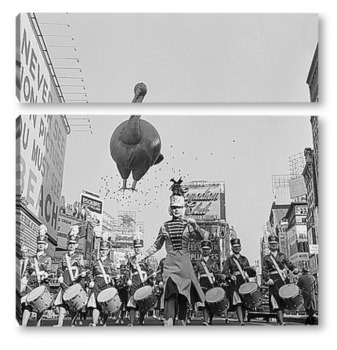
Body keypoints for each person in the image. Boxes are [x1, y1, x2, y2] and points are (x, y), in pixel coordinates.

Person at [137, 178, 209, 326]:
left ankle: (181, 323)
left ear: (183, 208)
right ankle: (168, 323)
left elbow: (205, 237)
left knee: (183, 296)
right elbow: (157, 245)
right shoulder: (164, 226)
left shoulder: (189, 225)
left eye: (178, 207)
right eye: (173, 207)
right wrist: (143, 255)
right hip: (170, 264)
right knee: (169, 294)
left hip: (185, 265)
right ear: (170, 209)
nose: (176, 210)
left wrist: (196, 226)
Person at [54, 225, 87, 327]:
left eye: (73, 244)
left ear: (76, 245)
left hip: (75, 279)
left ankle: (72, 323)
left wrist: (83, 273)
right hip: (65, 278)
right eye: (70, 244)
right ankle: (60, 323)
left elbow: (82, 267)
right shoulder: (64, 256)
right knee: (63, 302)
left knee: (73, 302)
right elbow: (60, 268)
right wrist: (59, 275)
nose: (71, 245)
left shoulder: (79, 256)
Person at [262, 235, 297, 326]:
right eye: (271, 244)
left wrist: (294, 269)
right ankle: (281, 321)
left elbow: (289, 264)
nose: (273, 245)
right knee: (276, 300)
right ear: (269, 245)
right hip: (273, 280)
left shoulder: (282, 256)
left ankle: (281, 317)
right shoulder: (266, 258)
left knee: (285, 298)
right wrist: (267, 279)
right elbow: (264, 270)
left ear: (277, 245)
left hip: (283, 279)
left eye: (275, 244)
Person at [21, 225, 52, 327]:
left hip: (42, 282)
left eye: (42, 244)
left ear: (45, 245)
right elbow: (27, 270)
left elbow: (49, 270)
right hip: (32, 281)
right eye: (39, 244)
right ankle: (23, 325)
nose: (40, 246)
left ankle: (38, 324)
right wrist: (25, 277)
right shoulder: (31, 258)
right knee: (28, 303)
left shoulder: (47, 258)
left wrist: (46, 274)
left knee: (40, 304)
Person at [223, 238, 256, 325]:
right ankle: (240, 320)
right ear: (232, 248)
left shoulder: (245, 259)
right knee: (238, 302)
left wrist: (252, 269)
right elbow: (225, 272)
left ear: (240, 247)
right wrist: (230, 276)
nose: (237, 248)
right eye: (235, 247)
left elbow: (250, 273)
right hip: (235, 282)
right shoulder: (229, 259)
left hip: (244, 280)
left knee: (245, 301)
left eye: (238, 246)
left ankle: (243, 318)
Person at [126, 235, 154, 326]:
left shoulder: (146, 258)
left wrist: (150, 275)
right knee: (132, 302)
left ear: (142, 248)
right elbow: (127, 271)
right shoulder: (131, 259)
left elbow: (150, 269)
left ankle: (141, 320)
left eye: (139, 247)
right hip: (134, 281)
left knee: (142, 302)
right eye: (136, 247)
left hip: (143, 281)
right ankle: (131, 322)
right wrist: (128, 279)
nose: (137, 249)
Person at [87, 239, 116, 326]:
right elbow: (90, 273)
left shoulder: (111, 262)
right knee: (96, 304)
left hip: (107, 283)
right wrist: (91, 280)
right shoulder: (95, 262)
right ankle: (94, 323)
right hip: (97, 283)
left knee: (105, 304)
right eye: (102, 249)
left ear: (108, 251)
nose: (103, 251)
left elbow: (115, 273)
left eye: (105, 250)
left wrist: (114, 277)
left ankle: (104, 323)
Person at [194, 239, 224, 325]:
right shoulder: (198, 262)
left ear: (210, 250)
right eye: (204, 249)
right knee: (204, 302)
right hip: (202, 283)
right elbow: (195, 273)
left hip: (211, 283)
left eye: (207, 249)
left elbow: (217, 273)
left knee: (211, 302)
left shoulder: (213, 262)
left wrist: (221, 278)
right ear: (201, 250)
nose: (205, 251)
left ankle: (210, 319)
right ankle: (205, 320)